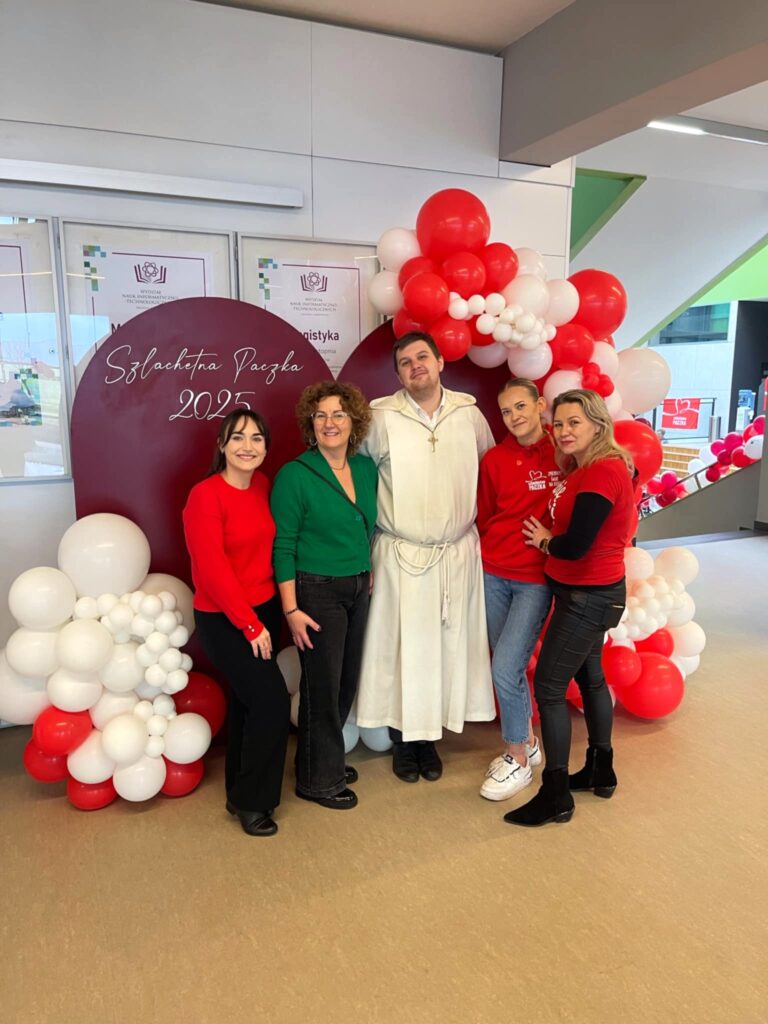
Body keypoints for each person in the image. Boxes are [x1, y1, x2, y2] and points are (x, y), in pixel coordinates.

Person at [355, 332, 496, 783]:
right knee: (402, 649)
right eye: (404, 362)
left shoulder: (468, 415)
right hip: (400, 553)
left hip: (456, 554)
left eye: (422, 357)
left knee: (443, 648)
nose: (415, 366)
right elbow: (354, 481)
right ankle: (403, 738)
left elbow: (490, 475)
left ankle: (429, 738)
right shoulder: (380, 417)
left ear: (439, 362)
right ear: (397, 374)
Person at [505, 389, 636, 827]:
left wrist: (544, 540)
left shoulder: (601, 472)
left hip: (587, 595)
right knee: (591, 676)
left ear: (597, 423)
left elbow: (576, 545)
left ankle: (555, 794)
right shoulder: (596, 467)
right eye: (558, 423)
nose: (563, 431)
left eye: (574, 423)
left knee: (548, 687)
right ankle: (602, 769)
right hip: (592, 593)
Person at [270, 381, 377, 810]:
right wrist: (291, 608)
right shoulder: (296, 474)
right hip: (315, 590)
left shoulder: (366, 469)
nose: (330, 423)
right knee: (323, 686)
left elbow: (367, 526)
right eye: (320, 416)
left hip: (357, 585)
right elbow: (284, 546)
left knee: (346, 681)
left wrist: (365, 569)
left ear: (354, 422)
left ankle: (321, 759)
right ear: (310, 425)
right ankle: (317, 780)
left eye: (338, 414)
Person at [183, 410, 289, 838]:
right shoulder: (205, 496)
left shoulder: (263, 486)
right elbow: (212, 570)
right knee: (271, 703)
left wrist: (266, 616)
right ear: (223, 445)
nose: (248, 446)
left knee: (249, 704)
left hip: (263, 610)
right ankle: (253, 803)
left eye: (257, 439)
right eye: (238, 438)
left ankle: (237, 792)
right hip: (226, 618)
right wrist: (248, 626)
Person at [476, 378, 561, 801]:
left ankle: (518, 761)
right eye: (507, 411)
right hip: (494, 574)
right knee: (507, 666)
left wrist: (551, 535)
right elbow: (487, 513)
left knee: (506, 670)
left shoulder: (563, 452)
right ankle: (526, 739)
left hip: (534, 580)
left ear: (540, 404)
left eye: (521, 407)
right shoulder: (494, 459)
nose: (514, 417)